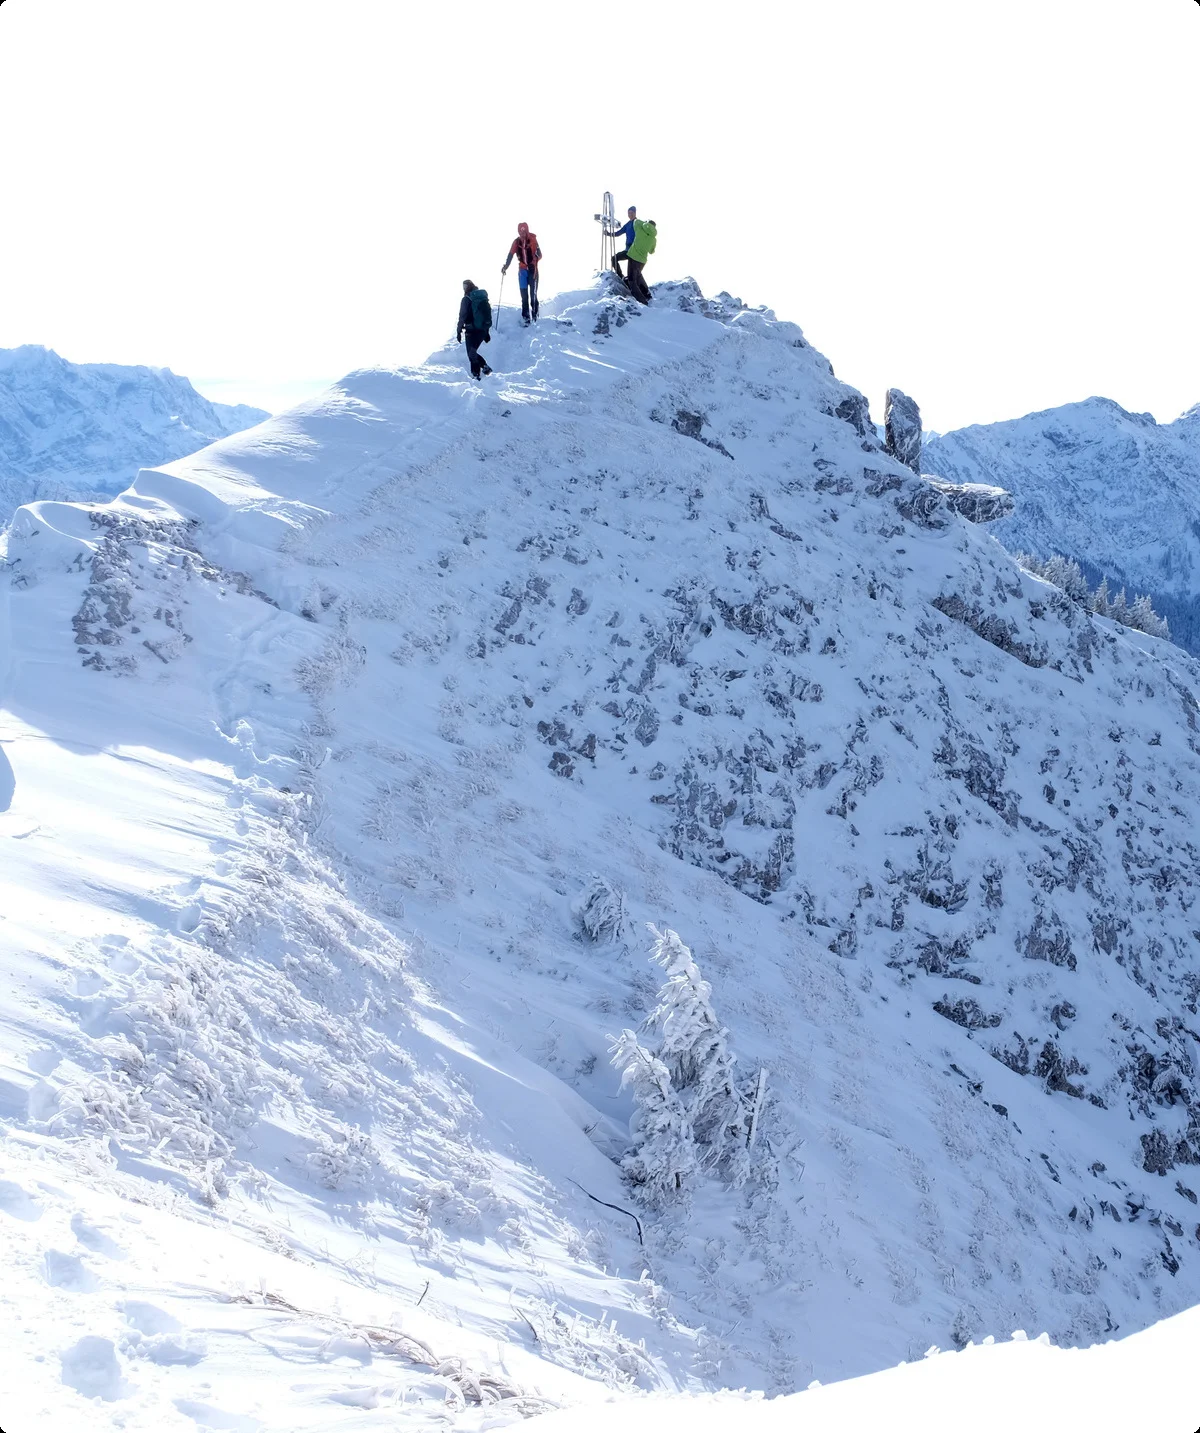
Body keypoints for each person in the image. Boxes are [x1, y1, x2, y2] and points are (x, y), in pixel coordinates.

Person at [501, 222, 541, 325]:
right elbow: (510, 255)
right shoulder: (516, 242)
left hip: (533, 271)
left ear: (527, 230)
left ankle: (535, 316)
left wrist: (535, 260)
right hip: (522, 271)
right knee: (524, 296)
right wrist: (506, 266)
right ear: (519, 231)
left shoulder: (533, 240)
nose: (523, 233)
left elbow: (540, 254)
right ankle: (526, 318)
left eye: (524, 230)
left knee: (533, 295)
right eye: (521, 231)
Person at [456, 280, 493, 380]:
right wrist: (486, 332)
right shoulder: (481, 298)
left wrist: (458, 331)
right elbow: (485, 315)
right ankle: (484, 368)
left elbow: (462, 316)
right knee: (473, 352)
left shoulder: (466, 299)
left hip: (471, 330)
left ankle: (476, 375)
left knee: (471, 354)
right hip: (482, 330)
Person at [624, 217, 657, 304]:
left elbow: (636, 221)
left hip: (633, 257)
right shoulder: (654, 239)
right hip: (642, 261)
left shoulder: (640, 229)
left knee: (632, 280)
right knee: (638, 276)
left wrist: (645, 223)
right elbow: (651, 251)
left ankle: (642, 301)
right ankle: (647, 294)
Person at [606, 205, 637, 278]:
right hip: (628, 251)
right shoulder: (627, 225)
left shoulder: (638, 223)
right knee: (614, 258)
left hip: (635, 251)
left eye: (632, 213)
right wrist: (608, 234)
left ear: (635, 213)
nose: (630, 215)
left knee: (633, 274)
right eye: (629, 213)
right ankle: (621, 277)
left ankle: (631, 284)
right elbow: (618, 233)